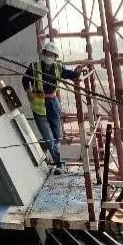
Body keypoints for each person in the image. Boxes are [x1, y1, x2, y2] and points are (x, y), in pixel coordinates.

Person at [22, 41, 78, 174]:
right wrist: (29, 92)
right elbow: (25, 80)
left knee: (57, 135)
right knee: (48, 137)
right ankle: (59, 163)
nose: (49, 57)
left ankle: (46, 145)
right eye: (47, 54)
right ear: (43, 54)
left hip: (53, 103)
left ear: (55, 57)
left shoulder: (58, 67)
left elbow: (71, 75)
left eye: (52, 55)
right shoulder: (34, 66)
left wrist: (78, 72)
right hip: (39, 105)